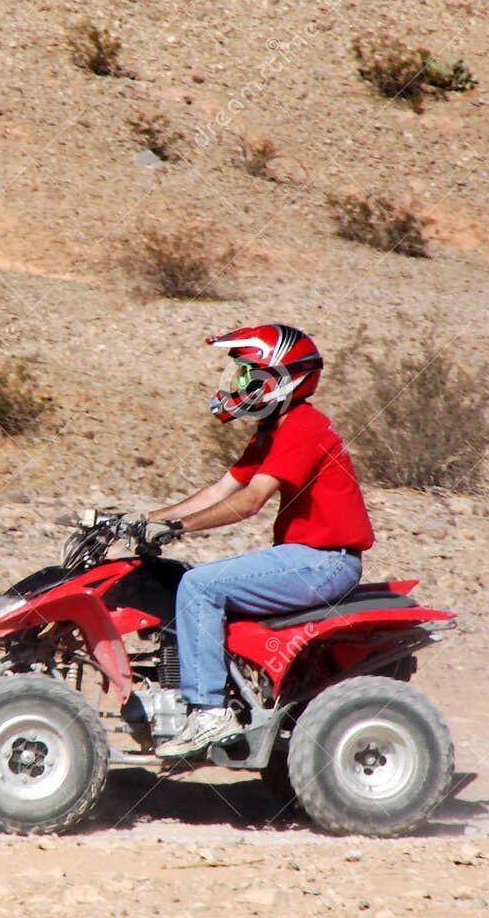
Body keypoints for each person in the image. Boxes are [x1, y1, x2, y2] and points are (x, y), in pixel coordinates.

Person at [143, 324, 375, 758]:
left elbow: (250, 501)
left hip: (325, 562)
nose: (237, 383)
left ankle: (210, 712)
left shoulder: (304, 426)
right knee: (185, 581)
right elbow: (220, 490)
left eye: (247, 374)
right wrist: (142, 520)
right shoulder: (273, 431)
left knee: (200, 586)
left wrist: (178, 528)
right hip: (306, 558)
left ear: (280, 378)